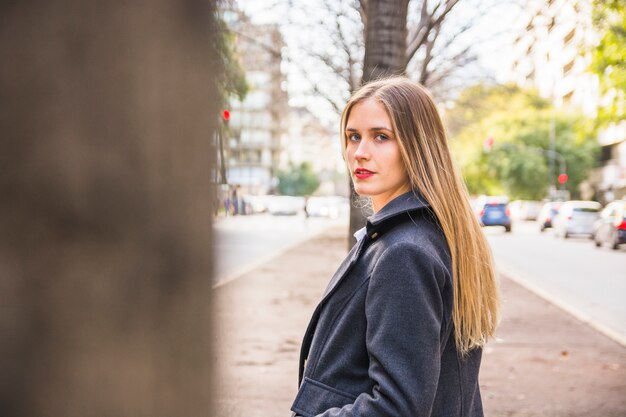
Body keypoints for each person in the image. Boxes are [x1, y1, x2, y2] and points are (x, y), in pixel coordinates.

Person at [290, 77, 499, 417]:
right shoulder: (423, 234)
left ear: (418, 146)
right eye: (353, 136)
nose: (360, 152)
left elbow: (396, 406)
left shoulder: (404, 253)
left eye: (381, 137)